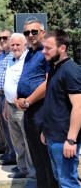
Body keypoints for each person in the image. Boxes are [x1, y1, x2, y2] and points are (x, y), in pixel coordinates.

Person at [15, 20, 57, 187]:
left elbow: (48, 83)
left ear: (43, 32)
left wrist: (28, 100)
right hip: (28, 110)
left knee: (45, 153)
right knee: (35, 151)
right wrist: (19, 98)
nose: (30, 35)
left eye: (34, 31)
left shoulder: (46, 53)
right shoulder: (29, 54)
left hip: (40, 108)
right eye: (27, 33)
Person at [41, 30, 81, 187]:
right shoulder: (54, 68)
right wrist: (46, 130)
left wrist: (71, 140)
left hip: (64, 139)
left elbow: (78, 106)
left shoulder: (71, 70)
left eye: (48, 48)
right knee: (60, 178)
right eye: (44, 47)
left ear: (62, 48)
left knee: (67, 182)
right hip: (52, 136)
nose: (44, 51)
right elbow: (54, 103)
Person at [3, 33, 36, 184]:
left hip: (21, 108)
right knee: (17, 140)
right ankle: (22, 169)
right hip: (9, 105)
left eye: (18, 45)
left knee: (27, 141)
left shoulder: (27, 60)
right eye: (12, 45)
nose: (15, 47)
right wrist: (5, 106)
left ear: (25, 46)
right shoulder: (11, 60)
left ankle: (32, 173)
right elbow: (8, 84)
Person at [0, 28, 16, 162]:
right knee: (4, 127)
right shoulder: (1, 55)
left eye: (5, 38)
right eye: (0, 38)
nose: (2, 40)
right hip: (0, 94)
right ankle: (9, 151)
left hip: (9, 96)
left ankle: (14, 156)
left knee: (10, 127)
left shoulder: (13, 55)